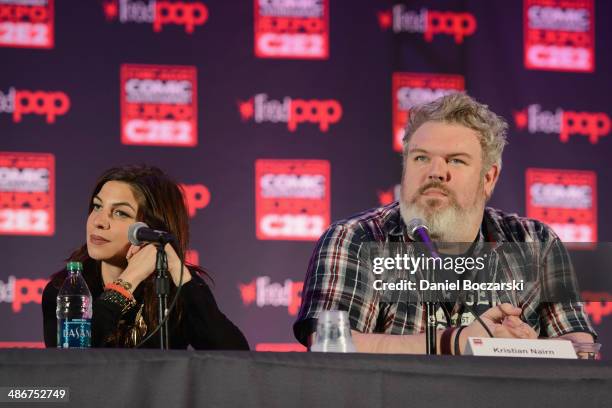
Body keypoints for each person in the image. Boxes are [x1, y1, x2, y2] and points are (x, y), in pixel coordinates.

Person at [294, 93, 596, 354]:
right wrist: (455, 342)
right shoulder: (356, 238)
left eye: (455, 160)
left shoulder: (536, 242)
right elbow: (328, 342)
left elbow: (579, 346)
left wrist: (526, 349)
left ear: (488, 178)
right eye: (421, 158)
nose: (435, 172)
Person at [42, 165, 249, 350]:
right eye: (97, 206)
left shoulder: (175, 286)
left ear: (149, 228)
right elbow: (71, 360)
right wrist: (128, 280)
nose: (98, 221)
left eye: (120, 213)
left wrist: (177, 270)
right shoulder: (65, 288)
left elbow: (234, 357)